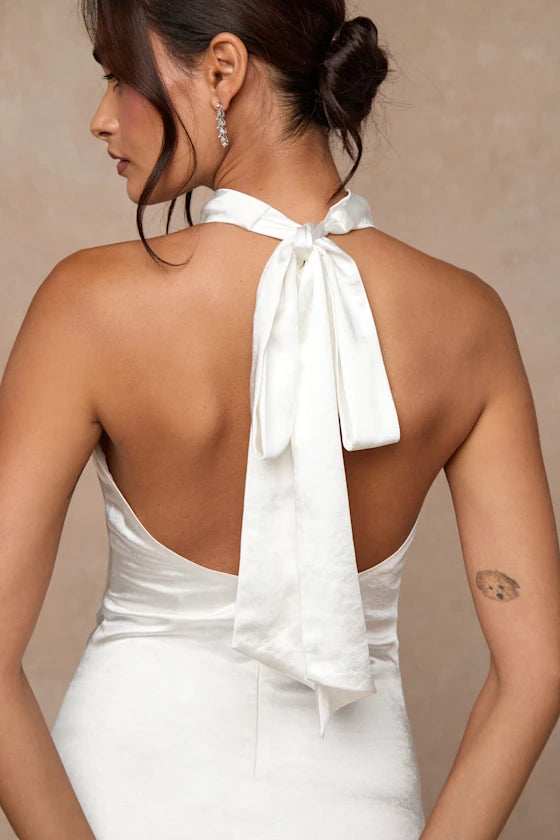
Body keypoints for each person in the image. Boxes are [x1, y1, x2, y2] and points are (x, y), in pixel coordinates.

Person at [0, 1, 559, 838]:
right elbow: (536, 671)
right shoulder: (468, 323)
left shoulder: (87, 307)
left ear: (223, 70)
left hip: (118, 798)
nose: (102, 117)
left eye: (122, 76)